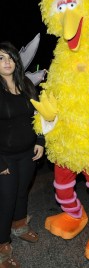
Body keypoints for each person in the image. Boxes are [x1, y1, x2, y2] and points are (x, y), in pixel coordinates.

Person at [0, 42, 45, 268]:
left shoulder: (26, 84)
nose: (7, 62)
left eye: (10, 57)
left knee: (21, 193)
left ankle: (19, 227)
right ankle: (2, 246)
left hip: (28, 152)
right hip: (5, 156)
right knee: (5, 200)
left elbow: (38, 114)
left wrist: (40, 141)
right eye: (1, 58)